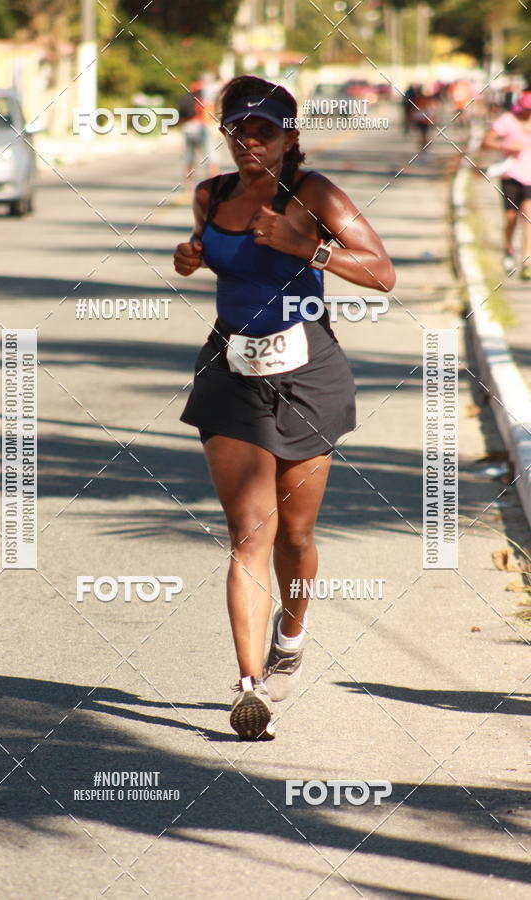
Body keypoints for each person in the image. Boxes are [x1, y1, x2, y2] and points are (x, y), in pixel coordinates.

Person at [173, 75, 395, 741]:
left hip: (307, 376)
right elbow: (215, 259)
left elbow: (381, 271)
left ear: (290, 136)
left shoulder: (315, 194)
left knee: (295, 537)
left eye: (264, 131)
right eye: (238, 131)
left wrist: (309, 247)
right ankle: (249, 688)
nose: (249, 143)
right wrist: (189, 258)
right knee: (250, 532)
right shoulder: (211, 195)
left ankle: (291, 633)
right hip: (231, 372)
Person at [482, 90, 531, 279]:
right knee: (511, 218)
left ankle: (527, 261)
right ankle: (509, 249)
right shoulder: (507, 120)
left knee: (528, 216)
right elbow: (487, 142)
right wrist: (507, 147)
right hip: (511, 175)